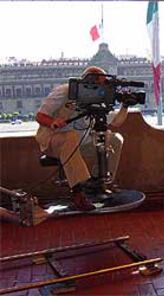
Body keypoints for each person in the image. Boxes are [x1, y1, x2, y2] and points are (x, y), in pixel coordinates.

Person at [35, 66, 129, 211]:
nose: (102, 87)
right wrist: (52, 122)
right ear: (88, 81)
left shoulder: (98, 96)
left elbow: (116, 121)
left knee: (114, 138)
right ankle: (78, 192)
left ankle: (100, 183)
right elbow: (40, 116)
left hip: (81, 142)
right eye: (100, 83)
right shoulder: (65, 91)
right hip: (53, 140)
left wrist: (125, 105)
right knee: (70, 137)